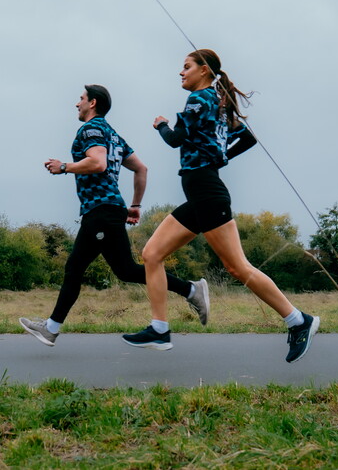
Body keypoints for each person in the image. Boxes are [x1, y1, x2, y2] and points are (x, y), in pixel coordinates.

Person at [122, 50, 320, 362]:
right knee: (151, 254)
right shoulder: (218, 104)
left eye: (186, 67)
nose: (181, 73)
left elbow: (174, 139)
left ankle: (298, 320)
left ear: (204, 70)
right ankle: (159, 328)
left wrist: (161, 124)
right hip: (201, 193)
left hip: (207, 192)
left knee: (237, 266)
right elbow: (247, 139)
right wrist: (219, 156)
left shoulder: (200, 99)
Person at [19, 84, 209, 347]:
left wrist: (64, 167)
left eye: (81, 99)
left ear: (93, 103)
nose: (77, 103)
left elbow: (98, 162)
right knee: (126, 270)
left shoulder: (91, 129)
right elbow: (141, 168)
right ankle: (191, 289)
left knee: (76, 268)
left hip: (100, 211)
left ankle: (51, 328)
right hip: (110, 210)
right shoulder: (113, 135)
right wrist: (135, 205)